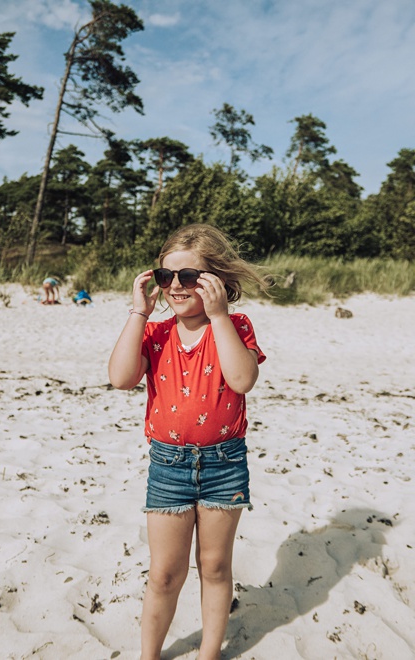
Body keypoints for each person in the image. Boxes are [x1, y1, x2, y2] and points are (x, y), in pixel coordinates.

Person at [107, 223, 267, 660]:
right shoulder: (156, 334)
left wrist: (218, 317)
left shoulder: (235, 326)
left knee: (214, 567)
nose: (175, 286)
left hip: (224, 463)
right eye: (165, 276)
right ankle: (149, 655)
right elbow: (120, 378)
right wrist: (138, 312)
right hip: (169, 467)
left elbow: (242, 378)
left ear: (217, 281)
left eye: (189, 277)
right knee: (163, 573)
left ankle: (209, 653)